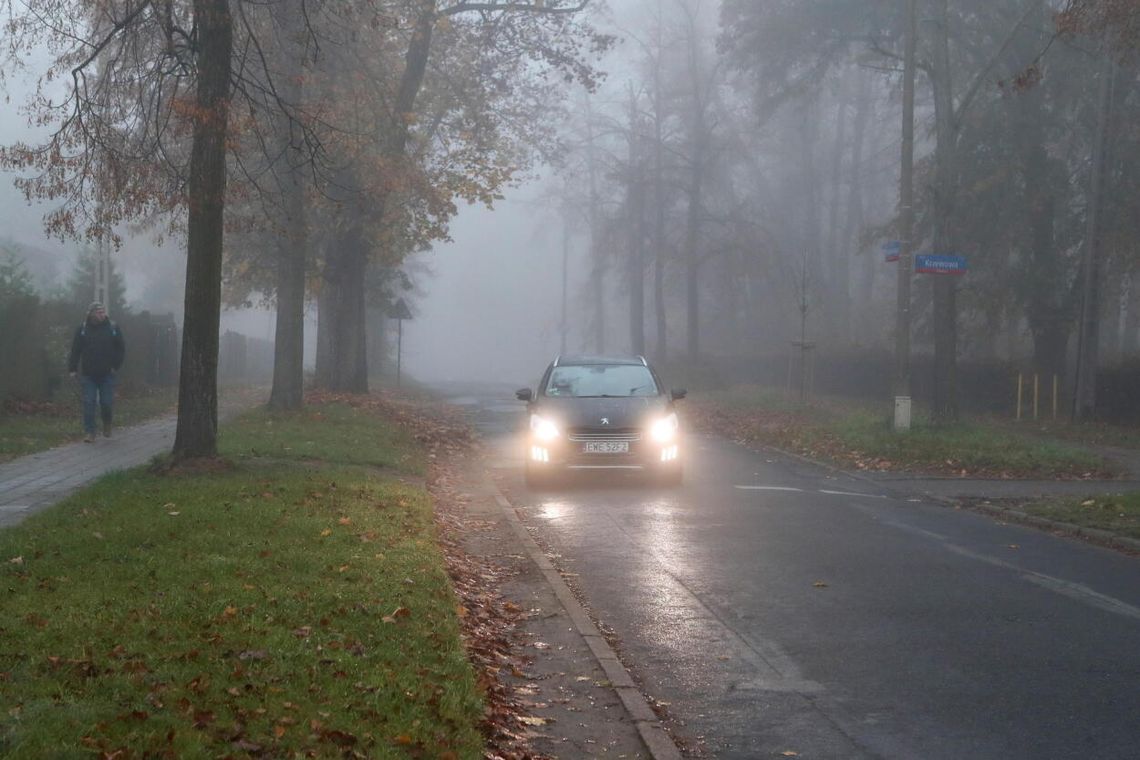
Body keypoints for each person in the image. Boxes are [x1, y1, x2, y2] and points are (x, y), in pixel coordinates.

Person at [67, 302, 126, 442]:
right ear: (91, 314)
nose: (102, 314)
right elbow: (75, 350)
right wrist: (72, 369)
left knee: (106, 402)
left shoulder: (113, 328)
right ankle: (90, 432)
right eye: (99, 312)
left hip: (107, 374)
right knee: (89, 402)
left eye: (103, 311)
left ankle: (107, 423)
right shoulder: (82, 329)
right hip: (88, 375)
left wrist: (115, 366)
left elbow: (121, 348)